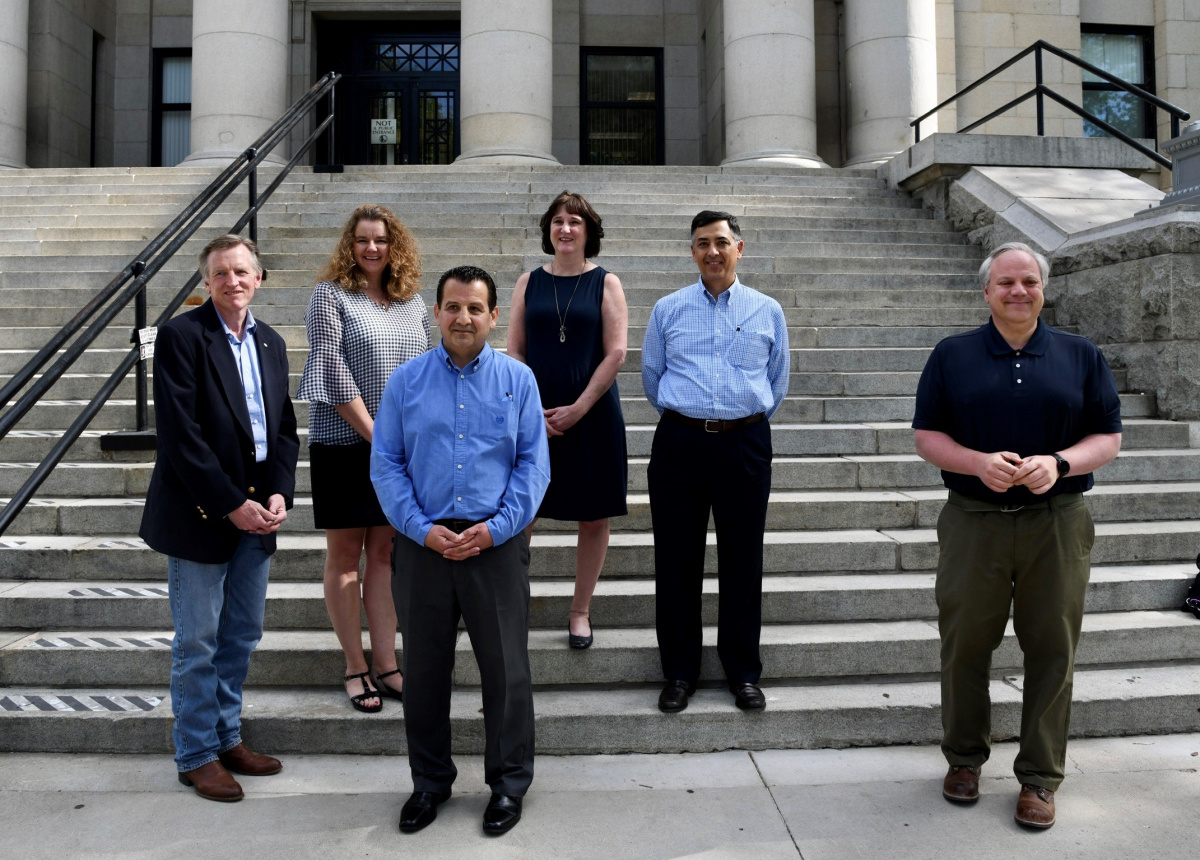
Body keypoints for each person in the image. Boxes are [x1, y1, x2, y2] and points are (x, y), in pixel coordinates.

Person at [912, 242, 1122, 829]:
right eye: (1005, 283)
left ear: (1043, 289)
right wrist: (977, 462)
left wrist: (1059, 462)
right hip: (973, 523)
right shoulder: (953, 355)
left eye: (1029, 281)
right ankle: (963, 760)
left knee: (1053, 651)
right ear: (986, 292)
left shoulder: (1081, 355)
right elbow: (926, 435)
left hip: (1056, 524)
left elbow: (1108, 437)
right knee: (965, 647)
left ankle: (1039, 778)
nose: (1018, 291)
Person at [371, 265, 550, 837]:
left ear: (494, 316)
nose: (463, 317)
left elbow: (532, 465)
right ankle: (429, 782)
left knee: (506, 671)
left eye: (475, 308)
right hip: (423, 546)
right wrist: (421, 529)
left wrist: (497, 529)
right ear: (435, 313)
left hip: (493, 546)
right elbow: (387, 465)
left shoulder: (519, 380)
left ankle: (508, 783)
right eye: (452, 306)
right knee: (423, 673)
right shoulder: (404, 382)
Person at [139, 234, 300, 802]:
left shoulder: (272, 343)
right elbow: (182, 438)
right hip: (202, 515)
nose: (233, 281)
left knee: (241, 635)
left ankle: (227, 736)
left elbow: (283, 429)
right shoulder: (183, 337)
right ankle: (196, 753)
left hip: (259, 515)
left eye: (242, 272)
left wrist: (281, 492)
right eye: (221, 273)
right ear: (205, 283)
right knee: (199, 641)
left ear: (259, 278)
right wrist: (233, 505)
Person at [641, 210, 789, 714]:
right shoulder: (668, 309)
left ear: (739, 249)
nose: (712, 251)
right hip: (680, 443)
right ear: (692, 251)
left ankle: (743, 672)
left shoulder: (767, 309)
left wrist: (738, 421)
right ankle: (679, 672)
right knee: (676, 561)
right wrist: (692, 420)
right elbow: (653, 377)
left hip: (745, 444)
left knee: (743, 561)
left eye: (721, 242)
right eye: (702, 243)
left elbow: (777, 380)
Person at [296, 204, 429, 713]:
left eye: (380, 240)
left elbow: (422, 373)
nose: (371, 248)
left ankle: (387, 663)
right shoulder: (331, 295)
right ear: (348, 247)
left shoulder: (413, 302)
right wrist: (378, 437)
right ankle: (355, 666)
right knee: (345, 558)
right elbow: (330, 369)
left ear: (395, 246)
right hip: (346, 446)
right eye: (361, 240)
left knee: (385, 557)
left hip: (397, 449)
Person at [507, 190, 628, 648]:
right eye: (558, 221)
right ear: (548, 231)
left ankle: (580, 611)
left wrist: (579, 407)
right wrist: (528, 405)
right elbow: (514, 350)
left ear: (588, 232)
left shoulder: (606, 282)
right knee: (522, 512)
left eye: (575, 221)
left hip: (592, 413)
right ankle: (512, 606)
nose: (565, 228)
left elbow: (616, 352)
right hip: (533, 413)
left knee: (594, 516)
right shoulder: (527, 283)